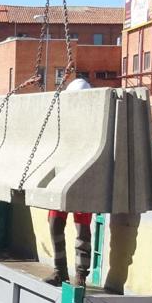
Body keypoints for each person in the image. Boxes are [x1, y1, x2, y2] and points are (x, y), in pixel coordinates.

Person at [46, 76, 93, 287]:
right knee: (55, 222)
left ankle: (81, 274)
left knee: (82, 228)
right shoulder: (64, 118)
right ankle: (60, 271)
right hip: (63, 177)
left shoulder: (94, 120)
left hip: (85, 180)